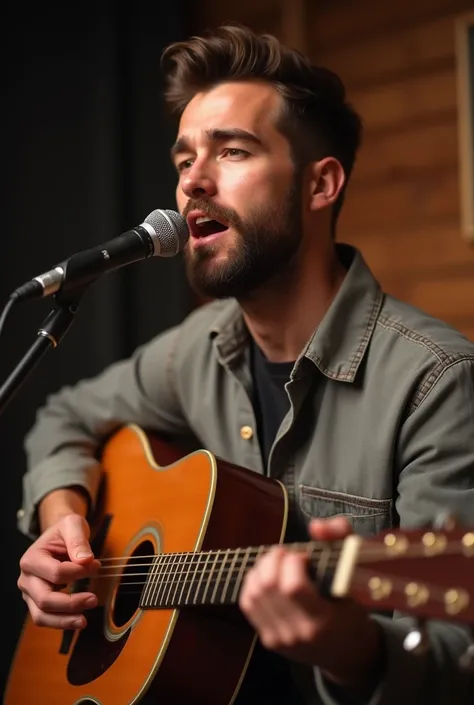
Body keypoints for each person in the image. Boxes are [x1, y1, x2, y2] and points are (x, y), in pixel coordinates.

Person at [15, 23, 474, 705]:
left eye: (231, 151)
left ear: (320, 185)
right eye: (183, 161)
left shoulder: (436, 381)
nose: (193, 181)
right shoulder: (197, 348)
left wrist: (354, 649)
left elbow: (453, 660)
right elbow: (64, 413)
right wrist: (61, 514)